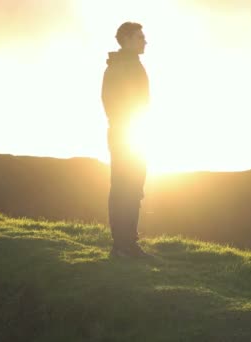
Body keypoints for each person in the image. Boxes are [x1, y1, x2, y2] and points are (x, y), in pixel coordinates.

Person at [101, 22, 149, 258]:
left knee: (133, 189)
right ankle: (122, 246)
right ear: (128, 39)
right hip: (125, 135)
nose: (145, 41)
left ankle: (129, 244)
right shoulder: (120, 67)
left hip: (134, 134)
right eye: (140, 37)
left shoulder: (129, 65)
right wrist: (125, 126)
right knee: (124, 188)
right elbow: (111, 102)